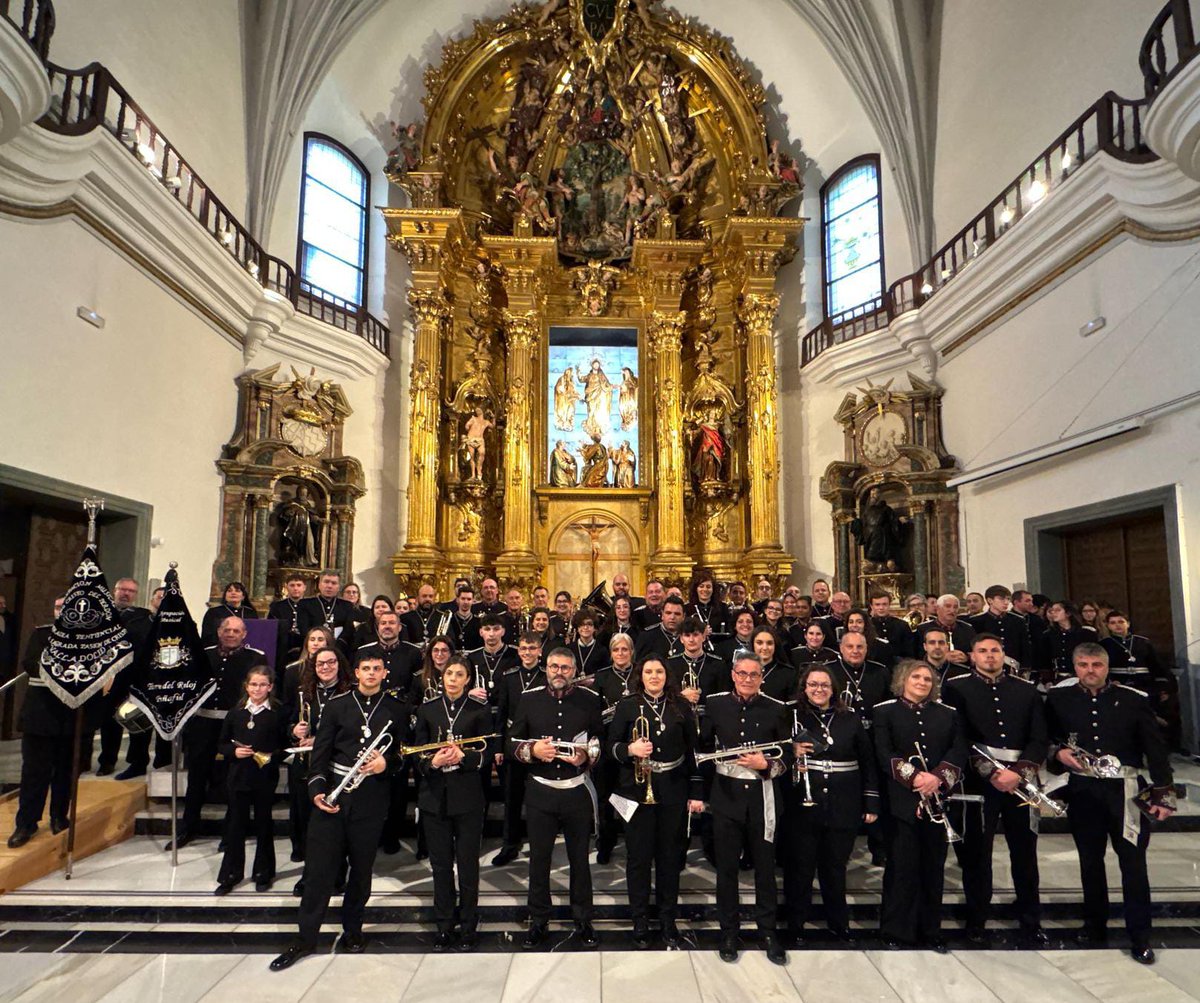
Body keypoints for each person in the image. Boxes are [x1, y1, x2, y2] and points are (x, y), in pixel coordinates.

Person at [269, 654, 408, 970]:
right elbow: (320, 754)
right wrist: (317, 790)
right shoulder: (337, 705)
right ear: (356, 672)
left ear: (384, 673)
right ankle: (305, 939)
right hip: (333, 795)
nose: (371, 673)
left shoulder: (396, 709)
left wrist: (386, 764)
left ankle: (353, 930)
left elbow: (403, 755)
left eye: (376, 669)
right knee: (319, 872)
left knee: (361, 871)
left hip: (371, 799)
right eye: (365, 669)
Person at [1045, 642, 1175, 965]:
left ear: (1106, 667)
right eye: (1083, 665)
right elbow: (1048, 738)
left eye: (1097, 665)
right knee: (1090, 862)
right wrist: (1058, 754)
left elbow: (1155, 748)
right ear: (1075, 667)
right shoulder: (1059, 699)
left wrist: (1164, 793)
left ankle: (1140, 935)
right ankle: (1094, 925)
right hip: (1083, 792)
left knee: (1133, 865)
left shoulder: (1133, 699)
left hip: (1125, 792)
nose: (1090, 671)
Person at [942, 634, 1049, 945]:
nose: (990, 656)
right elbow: (957, 736)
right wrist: (990, 771)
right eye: (983, 651)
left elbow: (1039, 737)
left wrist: (1019, 772)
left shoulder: (1026, 690)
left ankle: (1030, 919)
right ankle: (977, 919)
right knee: (977, 854)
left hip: (1021, 782)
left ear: (1004, 654)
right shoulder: (956, 688)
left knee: (1025, 853)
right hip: (978, 782)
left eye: (995, 650)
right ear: (972, 656)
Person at [508, 646, 604, 948]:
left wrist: (586, 757)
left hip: (576, 792)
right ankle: (538, 919)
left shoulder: (590, 699)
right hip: (541, 792)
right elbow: (511, 742)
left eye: (565, 667)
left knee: (580, 860)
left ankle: (583, 918)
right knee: (539, 860)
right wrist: (532, 750)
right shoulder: (529, 698)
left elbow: (599, 740)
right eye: (553, 667)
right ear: (546, 668)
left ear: (574, 671)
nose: (558, 672)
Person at [700, 651, 791, 965]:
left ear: (762, 677)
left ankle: (768, 931)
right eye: (742, 673)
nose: (748, 679)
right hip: (726, 797)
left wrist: (766, 765)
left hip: (762, 798)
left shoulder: (776, 707)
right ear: (733, 675)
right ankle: (729, 931)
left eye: (754, 674)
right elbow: (704, 746)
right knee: (726, 869)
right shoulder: (715, 704)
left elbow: (787, 753)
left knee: (765, 869)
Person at [608, 655, 701, 948]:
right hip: (635, 791)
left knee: (669, 858)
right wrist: (629, 749)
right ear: (640, 675)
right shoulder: (627, 705)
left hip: (673, 789)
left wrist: (696, 791)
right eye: (648, 671)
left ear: (666, 675)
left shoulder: (681, 705)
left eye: (659, 671)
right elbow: (611, 746)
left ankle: (667, 919)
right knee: (638, 859)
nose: (654, 676)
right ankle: (639, 919)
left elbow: (693, 750)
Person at [874, 659, 967, 951]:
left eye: (927, 679)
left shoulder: (948, 714)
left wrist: (937, 779)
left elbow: (958, 751)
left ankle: (930, 930)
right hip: (901, 800)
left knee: (933, 868)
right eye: (916, 677)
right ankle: (895, 930)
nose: (922, 682)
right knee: (901, 868)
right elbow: (884, 752)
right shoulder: (884, 711)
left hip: (938, 800)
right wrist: (915, 778)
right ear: (903, 680)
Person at [783, 665, 879, 943]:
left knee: (835, 867)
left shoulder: (850, 718)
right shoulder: (793, 715)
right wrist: (791, 750)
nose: (819, 689)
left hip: (843, 803)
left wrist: (870, 803)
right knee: (800, 868)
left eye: (824, 685)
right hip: (803, 804)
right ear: (804, 688)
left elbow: (867, 761)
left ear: (833, 688)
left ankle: (838, 923)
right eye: (813, 684)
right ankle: (796, 925)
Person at [412, 655, 494, 951]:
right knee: (441, 865)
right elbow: (416, 752)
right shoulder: (428, 709)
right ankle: (444, 925)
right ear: (442, 677)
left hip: (468, 797)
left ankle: (468, 925)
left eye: (459, 674)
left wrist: (465, 757)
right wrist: (432, 762)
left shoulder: (479, 710)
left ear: (467, 680)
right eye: (449, 674)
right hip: (434, 798)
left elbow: (487, 753)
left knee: (468, 865)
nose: (453, 679)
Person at [174, 616, 268, 849]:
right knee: (197, 778)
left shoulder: (255, 658)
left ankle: (231, 832)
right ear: (219, 632)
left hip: (236, 724)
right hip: (203, 724)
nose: (231, 634)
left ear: (244, 634)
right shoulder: (202, 654)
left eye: (236, 631)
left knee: (234, 781)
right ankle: (188, 828)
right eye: (227, 630)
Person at [7, 597, 89, 848]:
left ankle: (59, 816)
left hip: (70, 716)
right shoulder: (42, 634)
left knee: (65, 772)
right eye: (57, 607)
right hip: (40, 715)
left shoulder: (87, 640)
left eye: (67, 608)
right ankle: (26, 823)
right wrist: (65, 672)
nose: (61, 612)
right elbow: (31, 664)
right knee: (34, 773)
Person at [215, 666, 287, 894]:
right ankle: (231, 874)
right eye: (254, 684)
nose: (258, 689)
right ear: (246, 686)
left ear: (270, 687)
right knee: (236, 825)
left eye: (263, 685)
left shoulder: (277, 713)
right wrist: (233, 752)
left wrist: (271, 756)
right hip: (238, 777)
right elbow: (222, 744)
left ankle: (263, 873)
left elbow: (285, 745)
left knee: (264, 824)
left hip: (265, 777)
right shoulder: (236, 713)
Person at [287, 644, 352, 885]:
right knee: (307, 825)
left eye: (331, 662)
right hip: (306, 766)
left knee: (335, 825)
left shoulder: (350, 694)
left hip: (335, 768)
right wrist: (294, 730)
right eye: (320, 663)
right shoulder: (305, 692)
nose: (326, 667)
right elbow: (288, 722)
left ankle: (337, 874)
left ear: (339, 665)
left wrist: (320, 740)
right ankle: (310, 876)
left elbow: (351, 732)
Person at [492, 633, 548, 866]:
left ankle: (540, 843)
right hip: (513, 744)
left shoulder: (546, 676)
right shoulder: (509, 677)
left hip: (539, 744)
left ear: (540, 650)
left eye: (532, 648)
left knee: (540, 798)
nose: (527, 652)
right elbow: (501, 712)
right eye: (523, 648)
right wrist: (498, 747)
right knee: (511, 797)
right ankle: (509, 844)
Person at [968, 585, 1033, 675]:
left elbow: (1024, 645)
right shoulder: (976, 621)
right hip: (986, 667)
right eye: (1001, 599)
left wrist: (1025, 668)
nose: (1006, 602)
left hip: (1013, 668)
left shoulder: (1018, 620)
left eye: (1008, 599)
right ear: (990, 600)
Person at [296, 570, 356, 649]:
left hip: (339, 648)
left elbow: (348, 630)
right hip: (313, 647)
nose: (329, 586)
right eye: (326, 582)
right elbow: (304, 629)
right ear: (319, 585)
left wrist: (337, 645)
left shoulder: (347, 606)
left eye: (334, 583)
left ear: (338, 587)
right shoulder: (305, 604)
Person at [1038, 601, 1091, 684]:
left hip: (1081, 678)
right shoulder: (1048, 635)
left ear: (1068, 613)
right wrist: (1047, 680)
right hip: (1057, 678)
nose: (1053, 613)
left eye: (1058, 610)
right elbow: (1044, 660)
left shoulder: (1086, 634)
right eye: (1052, 610)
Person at [915, 594, 976, 665]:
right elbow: (917, 656)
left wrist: (967, 657)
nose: (952, 610)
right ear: (937, 609)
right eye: (948, 606)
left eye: (955, 607)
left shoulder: (968, 629)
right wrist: (940, 657)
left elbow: (976, 653)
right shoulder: (922, 629)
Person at [268, 573, 309, 669]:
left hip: (305, 645)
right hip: (283, 647)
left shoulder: (311, 605)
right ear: (286, 587)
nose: (295, 588)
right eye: (292, 585)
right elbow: (271, 627)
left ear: (304, 587)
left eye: (299, 585)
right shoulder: (277, 606)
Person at [200, 581, 259, 647]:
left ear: (243, 596)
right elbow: (207, 636)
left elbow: (256, 633)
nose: (233, 593)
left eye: (237, 591)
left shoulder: (250, 612)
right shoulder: (213, 612)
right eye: (229, 591)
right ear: (225, 595)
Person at [749, 626, 796, 700]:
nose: (765, 648)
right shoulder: (742, 671)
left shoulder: (788, 673)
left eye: (769, 643)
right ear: (752, 644)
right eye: (759, 643)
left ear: (775, 645)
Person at [634, 594, 684, 660]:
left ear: (683, 616)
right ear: (662, 614)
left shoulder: (690, 637)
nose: (672, 617)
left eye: (677, 614)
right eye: (668, 613)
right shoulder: (646, 637)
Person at [867, 592, 914, 660]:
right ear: (871, 606)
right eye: (877, 605)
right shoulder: (867, 625)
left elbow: (909, 652)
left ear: (889, 605)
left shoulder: (902, 625)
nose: (881, 608)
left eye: (884, 604)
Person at [401, 583, 442, 648]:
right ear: (417, 598)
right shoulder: (405, 618)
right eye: (424, 596)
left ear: (434, 598)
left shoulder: (442, 617)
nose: (427, 599)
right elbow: (403, 642)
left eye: (431, 596)